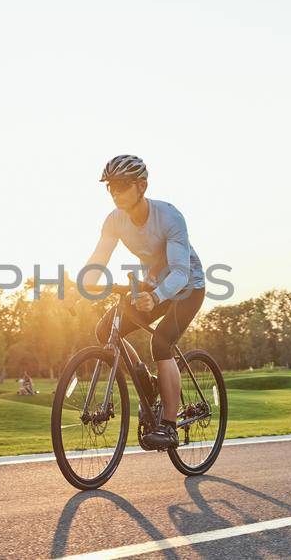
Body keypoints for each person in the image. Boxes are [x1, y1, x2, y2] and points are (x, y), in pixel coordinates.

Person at [78, 154, 206, 451]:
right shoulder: (114, 220)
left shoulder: (169, 217)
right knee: (105, 330)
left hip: (187, 286)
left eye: (122, 185)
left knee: (161, 343)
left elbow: (179, 271)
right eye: (110, 186)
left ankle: (170, 426)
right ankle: (145, 381)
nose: (115, 192)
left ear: (142, 186)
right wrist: (79, 285)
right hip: (153, 281)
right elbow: (99, 257)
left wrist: (156, 296)